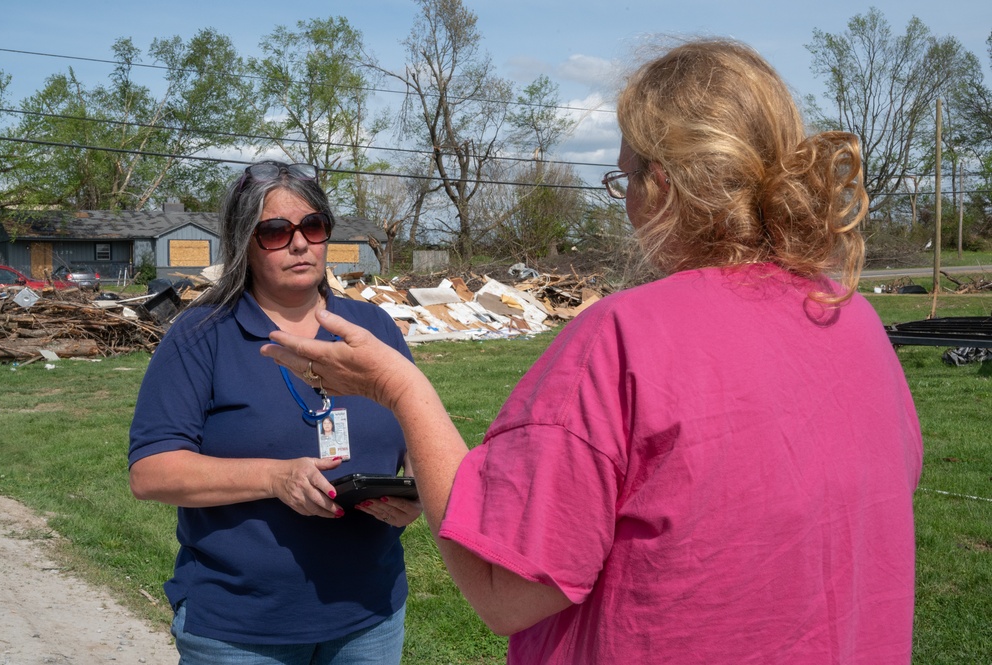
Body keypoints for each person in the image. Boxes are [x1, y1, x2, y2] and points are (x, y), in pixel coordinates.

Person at [261, 39, 923, 664]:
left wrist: (404, 390)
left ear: (661, 186)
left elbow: (504, 588)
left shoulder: (625, 339)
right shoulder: (850, 318)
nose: (626, 201)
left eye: (625, 177)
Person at [128, 160, 421, 665]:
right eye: (275, 232)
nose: (300, 243)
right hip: (241, 630)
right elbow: (151, 471)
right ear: (244, 240)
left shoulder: (373, 327)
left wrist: (418, 491)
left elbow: (420, 429)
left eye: (313, 226)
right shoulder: (201, 335)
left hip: (370, 614)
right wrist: (275, 478)